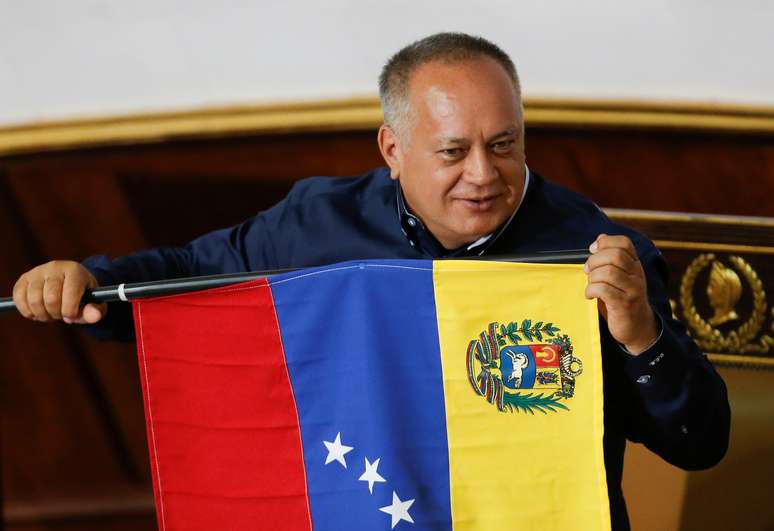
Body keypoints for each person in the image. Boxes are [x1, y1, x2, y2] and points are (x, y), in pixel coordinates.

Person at [11, 32, 729, 530]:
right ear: (393, 147)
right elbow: (183, 280)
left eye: (504, 145)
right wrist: (87, 282)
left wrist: (641, 333)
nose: (483, 174)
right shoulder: (316, 224)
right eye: (453, 150)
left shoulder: (597, 251)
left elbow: (701, 441)